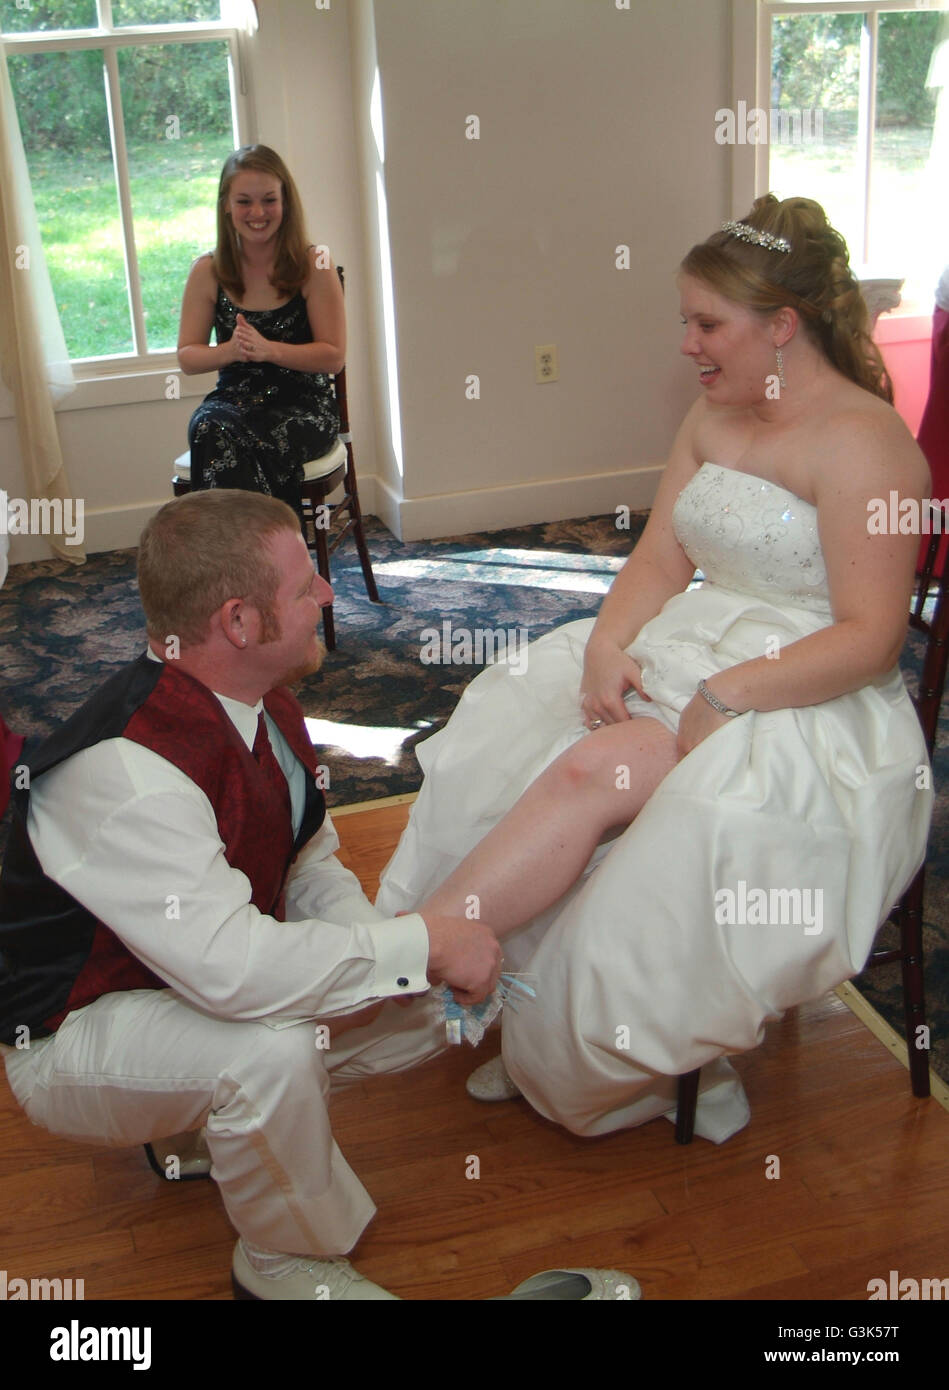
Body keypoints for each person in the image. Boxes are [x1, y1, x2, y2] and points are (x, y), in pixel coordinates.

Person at [377, 195, 934, 1143]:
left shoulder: (866, 445)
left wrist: (725, 694)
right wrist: (604, 646)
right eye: (686, 321)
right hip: (696, 638)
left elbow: (871, 635)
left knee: (601, 774)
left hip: (802, 685)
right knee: (518, 728)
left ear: (782, 328)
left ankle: (437, 983)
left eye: (706, 324)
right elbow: (659, 560)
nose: (687, 344)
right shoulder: (712, 414)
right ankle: (492, 994)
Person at [0, 489, 506, 1301]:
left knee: (418, 1003)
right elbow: (235, 971)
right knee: (268, 1051)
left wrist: (389, 958)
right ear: (238, 622)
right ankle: (278, 1261)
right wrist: (417, 945)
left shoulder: (266, 707)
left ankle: (204, 1123)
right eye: (307, 585)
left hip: (179, 975)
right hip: (68, 1034)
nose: (329, 597)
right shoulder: (125, 772)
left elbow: (308, 865)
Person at [177, 145, 343, 517]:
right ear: (226, 205)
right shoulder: (207, 270)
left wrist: (271, 350)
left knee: (245, 438)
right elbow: (188, 357)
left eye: (269, 200)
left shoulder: (314, 262)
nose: (257, 213)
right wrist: (231, 351)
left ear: (286, 202)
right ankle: (254, 562)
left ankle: (258, 564)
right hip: (233, 401)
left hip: (303, 404)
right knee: (211, 428)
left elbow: (333, 355)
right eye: (244, 201)